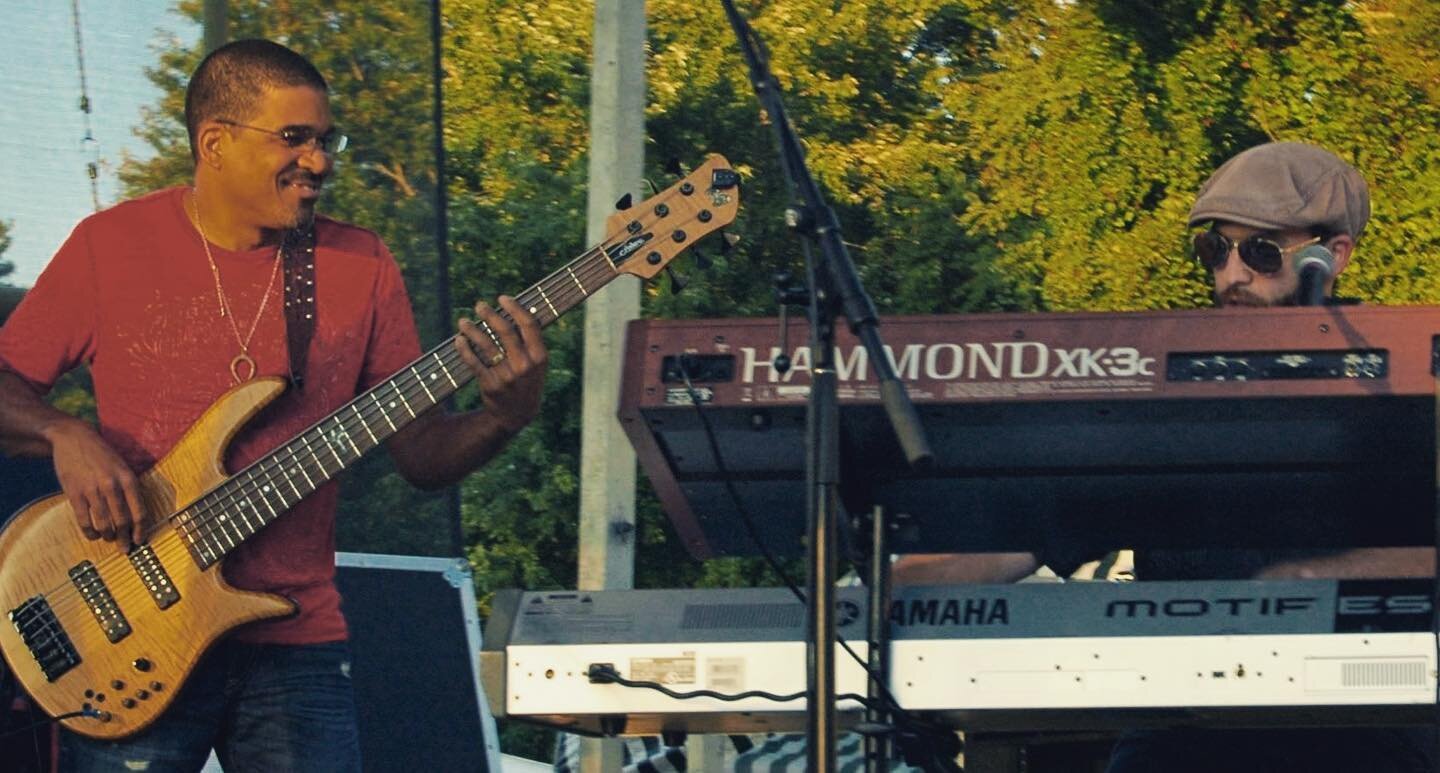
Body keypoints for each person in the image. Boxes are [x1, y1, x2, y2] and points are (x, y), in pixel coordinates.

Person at [0, 39, 547, 772]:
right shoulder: (111, 246)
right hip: (124, 629)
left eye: (327, 141)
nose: (319, 162)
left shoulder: (362, 264)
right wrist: (64, 432)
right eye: (294, 139)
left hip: (296, 645)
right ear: (215, 143)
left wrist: (500, 416)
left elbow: (421, 455)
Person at [896, 141, 1436, 772]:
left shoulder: (1400, 378)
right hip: (1184, 723)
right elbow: (1041, 527)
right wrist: (886, 591)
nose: (1232, 275)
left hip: (1366, 717)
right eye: (1216, 250)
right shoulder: (1164, 389)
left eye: (1261, 253)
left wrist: (1312, 585)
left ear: (1333, 255)